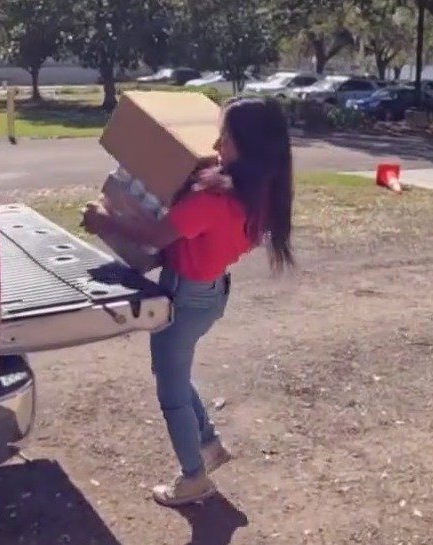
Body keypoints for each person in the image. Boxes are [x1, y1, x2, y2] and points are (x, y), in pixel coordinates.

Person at [81, 97, 295, 507]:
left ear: (248, 149)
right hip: (209, 294)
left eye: (227, 139)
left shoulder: (214, 202)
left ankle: (193, 477)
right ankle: (208, 444)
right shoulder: (263, 195)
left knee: (171, 390)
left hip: (186, 294)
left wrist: (104, 220)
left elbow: (155, 236)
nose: (216, 144)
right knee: (175, 373)